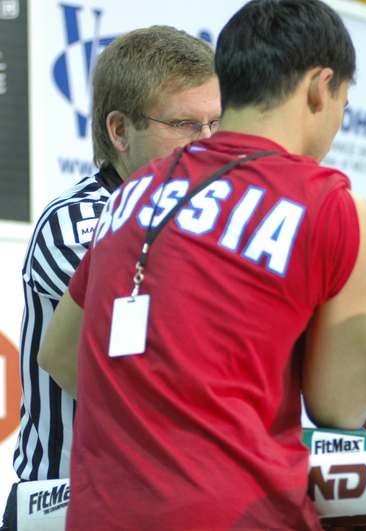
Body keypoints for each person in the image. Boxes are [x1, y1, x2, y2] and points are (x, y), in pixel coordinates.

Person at [37, 0, 366, 529]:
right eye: (344, 104)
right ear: (320, 88)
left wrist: (157, 430)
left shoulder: (136, 191)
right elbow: (342, 404)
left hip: (102, 514)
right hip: (238, 514)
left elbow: (59, 351)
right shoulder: (327, 202)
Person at [5, 25, 219, 530]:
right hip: (64, 507)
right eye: (185, 124)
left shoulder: (216, 216)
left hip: (171, 501)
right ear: (120, 131)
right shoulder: (77, 222)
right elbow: (148, 368)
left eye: (217, 123)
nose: (209, 144)